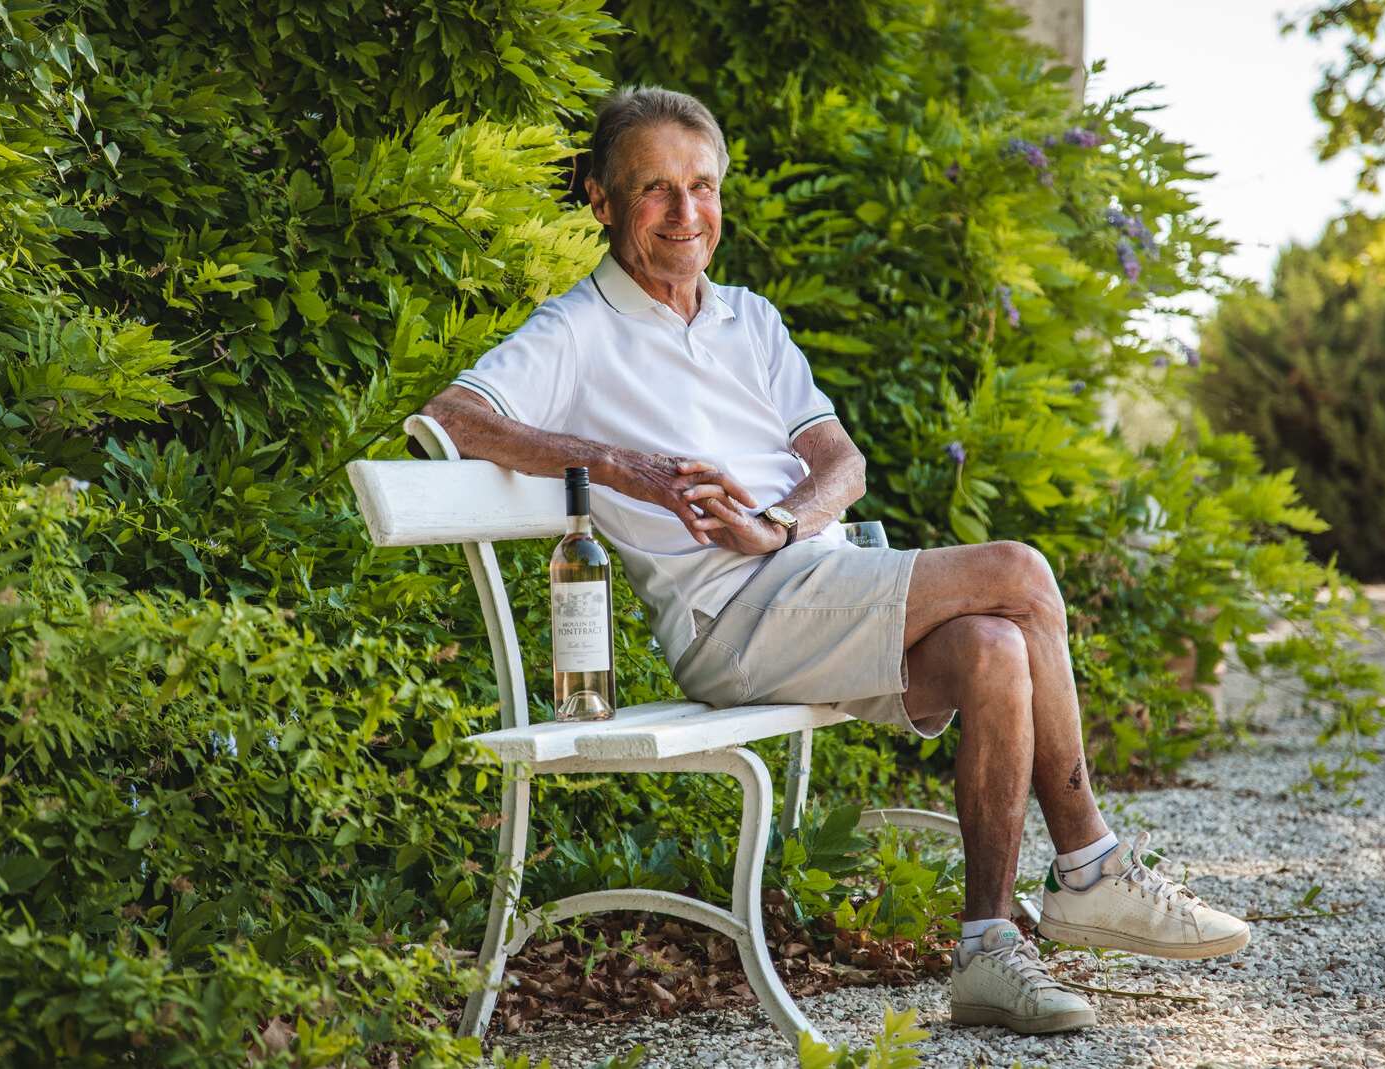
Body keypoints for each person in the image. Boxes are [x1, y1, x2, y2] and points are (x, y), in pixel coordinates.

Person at [423, 86, 1249, 1037]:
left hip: (805, 579)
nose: (685, 214)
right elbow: (454, 415)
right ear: (601, 201)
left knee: (992, 645)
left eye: (701, 187)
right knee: (1019, 571)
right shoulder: (577, 331)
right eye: (654, 190)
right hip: (729, 625)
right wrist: (623, 468)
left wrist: (776, 522)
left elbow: (840, 463)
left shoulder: (748, 320)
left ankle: (986, 948)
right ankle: (1090, 867)